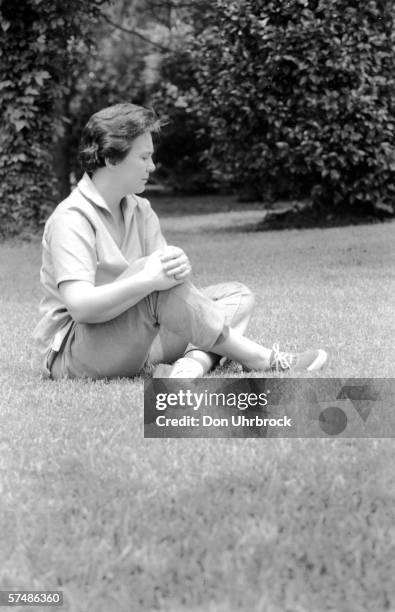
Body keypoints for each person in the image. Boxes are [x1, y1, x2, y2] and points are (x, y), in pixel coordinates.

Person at [33, 102, 328, 380]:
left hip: (141, 341)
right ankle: (261, 359)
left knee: (235, 295)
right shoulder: (71, 218)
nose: (153, 166)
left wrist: (176, 270)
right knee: (154, 284)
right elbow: (81, 307)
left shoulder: (141, 209)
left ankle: (193, 362)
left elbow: (172, 289)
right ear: (111, 158)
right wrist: (148, 280)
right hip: (75, 354)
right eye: (144, 157)